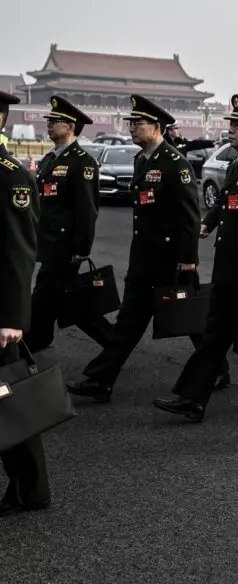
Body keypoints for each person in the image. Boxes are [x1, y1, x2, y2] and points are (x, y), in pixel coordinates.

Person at [152, 95, 238, 421]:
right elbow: (227, 202)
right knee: (215, 334)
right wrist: (209, 222)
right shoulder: (237, 166)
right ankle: (193, 399)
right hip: (229, 266)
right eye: (231, 123)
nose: (231, 129)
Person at [67, 95, 203, 402]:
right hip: (144, 257)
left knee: (191, 320)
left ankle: (215, 368)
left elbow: (189, 216)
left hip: (170, 259)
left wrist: (188, 258)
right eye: (130, 123)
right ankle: (101, 380)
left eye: (137, 123)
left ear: (156, 126)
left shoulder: (175, 163)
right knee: (129, 321)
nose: (131, 128)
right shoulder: (142, 159)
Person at [23, 96, 109, 352]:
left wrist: (82, 248)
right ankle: (38, 340)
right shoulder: (50, 159)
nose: (49, 125)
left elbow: (87, 210)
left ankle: (31, 345)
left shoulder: (82, 162)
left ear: (71, 126)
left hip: (65, 247)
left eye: (55, 121)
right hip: (49, 242)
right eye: (49, 121)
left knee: (49, 297)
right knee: (60, 299)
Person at [0, 92, 50, 517]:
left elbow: (19, 251)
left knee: (7, 400)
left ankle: (30, 489)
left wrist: (13, 318)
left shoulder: (11, 176)